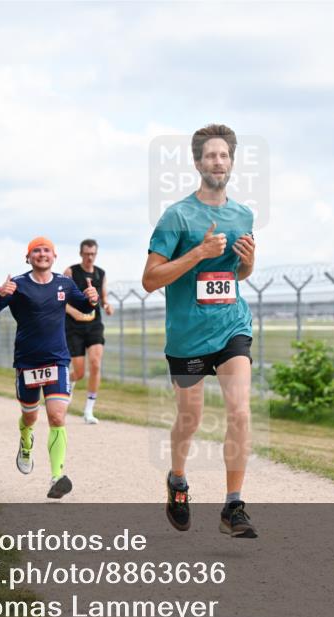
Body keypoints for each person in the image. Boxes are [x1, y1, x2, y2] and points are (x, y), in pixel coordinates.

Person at [141, 123, 259, 538]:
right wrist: (199, 252)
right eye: (210, 155)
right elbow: (151, 279)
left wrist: (247, 262)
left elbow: (237, 273)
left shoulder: (243, 214)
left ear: (232, 162)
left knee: (240, 411)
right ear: (196, 163)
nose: (218, 161)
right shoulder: (177, 216)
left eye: (224, 155)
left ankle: (234, 506)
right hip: (188, 335)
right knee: (190, 419)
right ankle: (177, 480)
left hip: (232, 326)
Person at [0, 237, 100, 499]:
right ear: (28, 257)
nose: (42, 254)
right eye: (36, 250)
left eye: (47, 250)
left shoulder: (64, 284)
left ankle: (57, 476)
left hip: (57, 360)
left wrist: (92, 298)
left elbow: (84, 305)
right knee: (31, 417)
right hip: (27, 362)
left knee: (57, 417)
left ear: (54, 257)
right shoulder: (18, 285)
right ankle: (26, 442)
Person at [63, 239, 113, 424]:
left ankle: (88, 411)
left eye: (93, 254)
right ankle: (69, 385)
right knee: (79, 372)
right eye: (86, 254)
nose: (89, 257)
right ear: (81, 253)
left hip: (94, 324)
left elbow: (104, 298)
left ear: (96, 254)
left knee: (95, 363)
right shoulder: (71, 272)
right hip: (74, 326)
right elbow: (60, 298)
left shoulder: (101, 273)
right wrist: (74, 312)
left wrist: (107, 306)